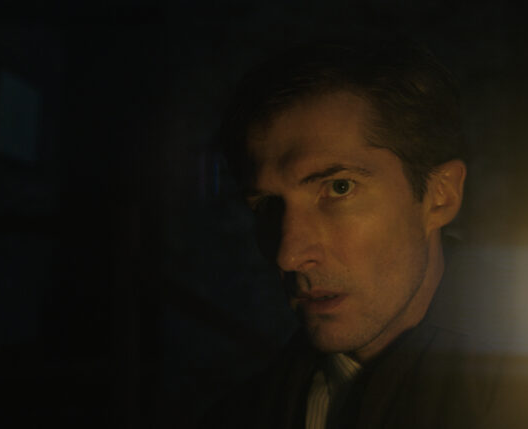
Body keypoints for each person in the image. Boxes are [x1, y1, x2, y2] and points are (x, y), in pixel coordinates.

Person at [206, 40, 500, 428]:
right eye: (267, 206)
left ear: (440, 196)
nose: (289, 255)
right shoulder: (245, 412)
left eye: (339, 188)